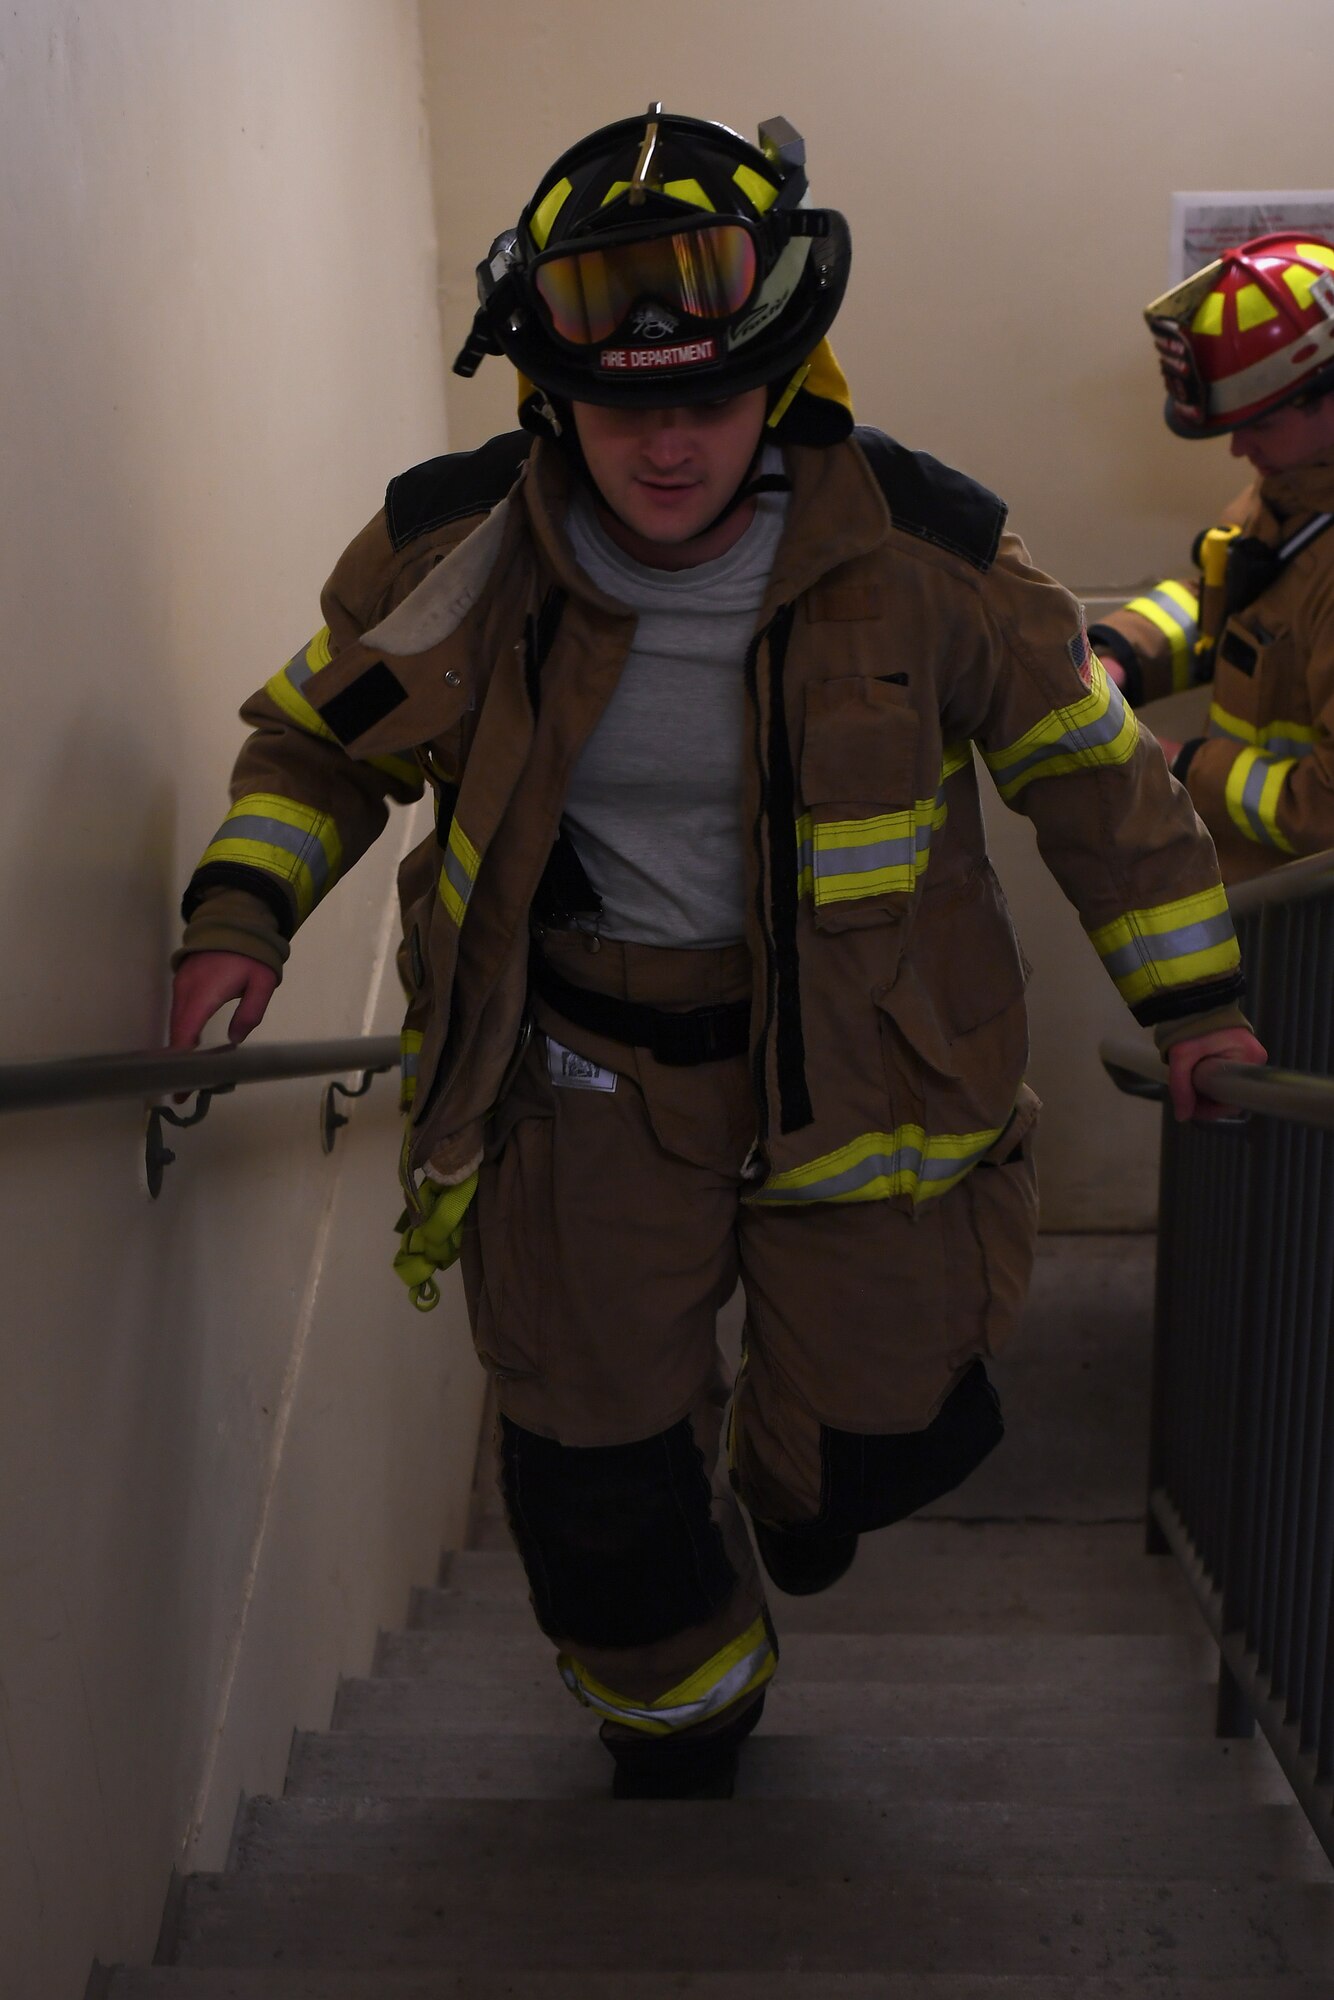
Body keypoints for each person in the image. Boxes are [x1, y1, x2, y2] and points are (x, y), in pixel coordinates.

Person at [169, 107, 1265, 1799]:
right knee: (590, 1475)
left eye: (701, 397)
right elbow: (319, 750)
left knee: (877, 1444)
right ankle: (681, 1720)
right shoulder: (454, 556)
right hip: (578, 1076)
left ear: (783, 371)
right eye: (618, 405)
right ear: (552, 394)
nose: (661, 446)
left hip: (867, 1074)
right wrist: (239, 919)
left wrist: (1191, 1008)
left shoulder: (931, 558)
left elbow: (1093, 788)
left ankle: (792, 1486)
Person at [1089, 233, 1334, 882]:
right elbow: (1233, 600)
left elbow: (1326, 807)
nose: (1237, 450)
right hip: (1258, 878)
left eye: (1259, 424)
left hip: (1308, 918)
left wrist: (1176, 762)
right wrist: (1119, 657)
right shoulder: (1297, 482)